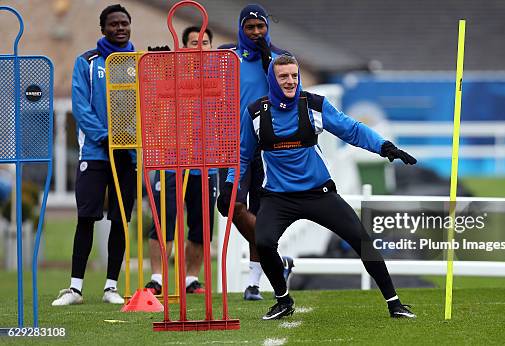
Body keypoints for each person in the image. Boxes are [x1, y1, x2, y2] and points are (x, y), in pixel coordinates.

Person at [223, 55, 417, 320]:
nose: (290, 81)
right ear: (272, 80)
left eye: (294, 75)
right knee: (264, 241)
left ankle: (395, 304)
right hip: (278, 197)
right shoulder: (255, 113)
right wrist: (230, 186)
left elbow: (352, 129)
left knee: (361, 240)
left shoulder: (314, 105)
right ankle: (283, 300)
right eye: (283, 76)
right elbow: (242, 156)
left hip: (319, 193)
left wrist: (384, 147)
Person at [52, 4, 136, 306]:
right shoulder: (86, 62)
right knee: (86, 216)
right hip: (95, 152)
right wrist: (106, 136)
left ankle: (111, 287)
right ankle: (75, 289)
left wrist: (128, 139)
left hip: (128, 155)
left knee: (120, 220)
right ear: (103, 29)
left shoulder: (138, 62)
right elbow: (81, 106)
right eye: (113, 24)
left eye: (124, 23)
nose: (120, 28)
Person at [216, 4, 293, 301]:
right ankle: (278, 260)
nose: (256, 32)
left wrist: (267, 65)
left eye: (260, 27)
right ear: (240, 28)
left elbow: (290, 94)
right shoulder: (227, 57)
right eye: (250, 27)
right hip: (232, 145)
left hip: (268, 146)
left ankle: (254, 282)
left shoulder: (279, 58)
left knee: (262, 211)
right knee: (230, 205)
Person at [144, 26, 217, 295]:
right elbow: (152, 104)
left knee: (201, 224)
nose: (199, 47)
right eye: (193, 43)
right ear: (183, 47)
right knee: (165, 219)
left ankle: (190, 279)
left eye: (205, 42)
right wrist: (159, 69)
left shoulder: (220, 75)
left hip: (205, 161)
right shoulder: (171, 74)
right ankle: (157, 278)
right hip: (171, 159)